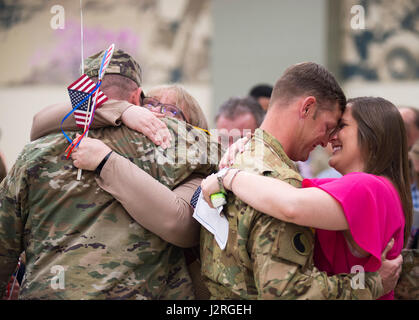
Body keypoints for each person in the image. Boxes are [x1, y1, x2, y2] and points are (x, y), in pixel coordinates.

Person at [0, 49, 219, 299]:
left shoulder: (34, 154)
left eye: (169, 111)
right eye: (152, 106)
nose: (158, 115)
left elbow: (4, 247)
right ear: (137, 97)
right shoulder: (174, 145)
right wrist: (122, 110)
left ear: (79, 96)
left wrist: (107, 157)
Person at [199, 62, 402, 299]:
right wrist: (371, 284)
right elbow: (287, 292)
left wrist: (229, 175)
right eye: (328, 127)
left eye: (340, 128)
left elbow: (294, 202)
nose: (328, 141)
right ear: (306, 108)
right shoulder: (280, 182)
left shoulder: (243, 164)